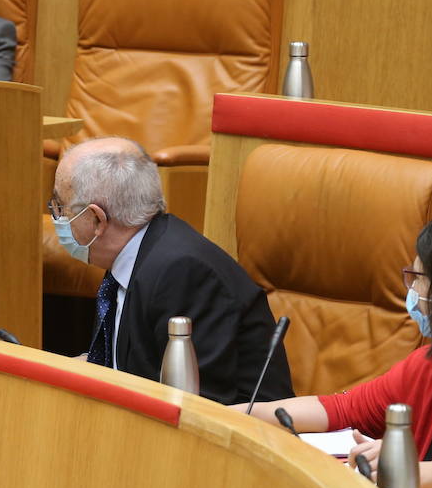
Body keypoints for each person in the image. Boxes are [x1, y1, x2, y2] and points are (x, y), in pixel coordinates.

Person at [240, 210, 432, 488]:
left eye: (419, 278)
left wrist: (411, 471)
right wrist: (228, 415)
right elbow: (341, 410)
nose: (412, 291)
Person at [50, 137, 292, 403]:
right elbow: (127, 367)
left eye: (59, 206)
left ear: (97, 219)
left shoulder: (181, 272)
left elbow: (196, 408)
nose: (57, 217)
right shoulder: (132, 253)